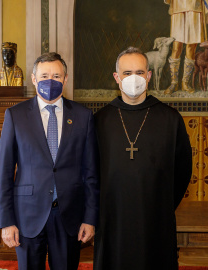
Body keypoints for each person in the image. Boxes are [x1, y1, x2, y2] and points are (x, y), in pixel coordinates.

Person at [0, 52, 99, 270]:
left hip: (69, 216)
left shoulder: (83, 116)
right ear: (33, 79)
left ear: (65, 79)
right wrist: (7, 221)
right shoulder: (15, 115)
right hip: (27, 216)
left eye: (56, 76)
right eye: (44, 76)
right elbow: (4, 173)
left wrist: (90, 218)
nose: (49, 81)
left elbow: (91, 173)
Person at [93, 47, 192, 270]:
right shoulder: (100, 120)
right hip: (112, 218)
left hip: (156, 217)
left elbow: (183, 170)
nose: (133, 78)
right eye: (127, 73)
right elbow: (90, 173)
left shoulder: (170, 119)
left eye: (139, 72)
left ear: (148, 76)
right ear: (117, 78)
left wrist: (162, 202)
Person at [164, 0, 207, 94]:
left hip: (195, 6)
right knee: (176, 47)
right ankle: (174, 83)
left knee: (191, 47)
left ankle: (185, 83)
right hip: (178, 6)